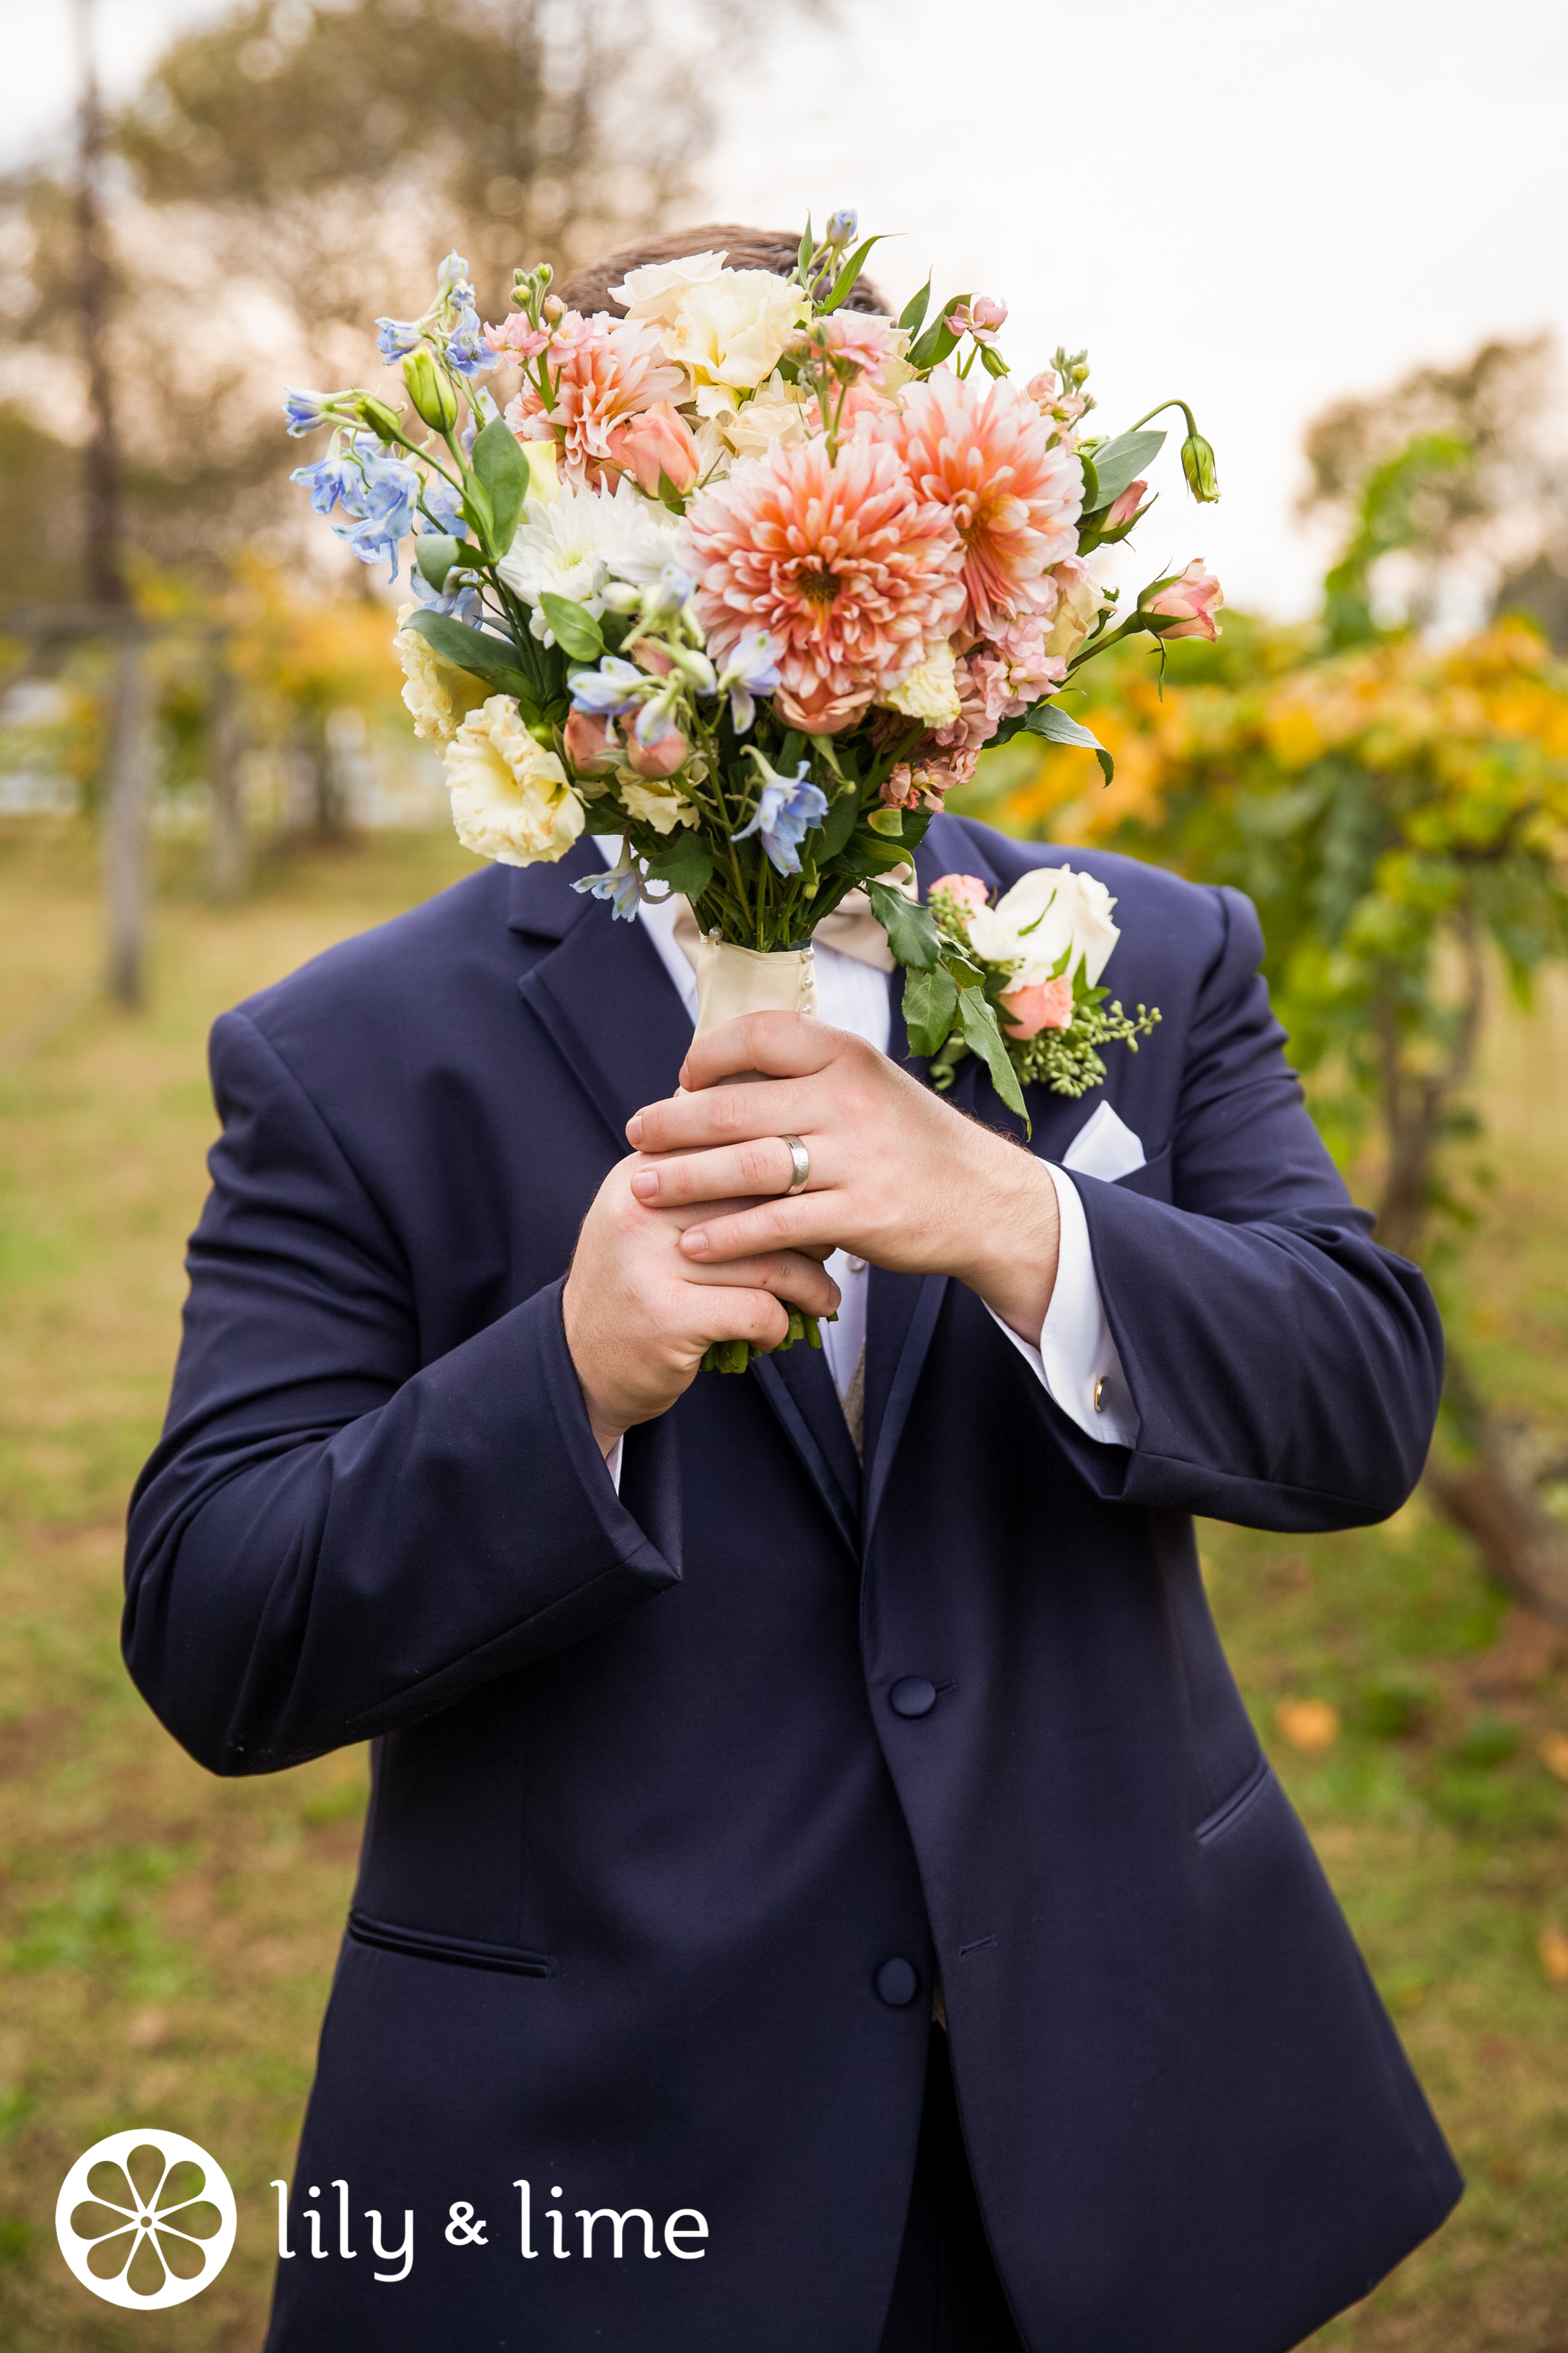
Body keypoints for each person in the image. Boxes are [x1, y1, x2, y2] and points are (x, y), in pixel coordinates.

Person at [123, 230, 1461, 2353]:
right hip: (607, 2181)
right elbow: (218, 1626)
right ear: (549, 554)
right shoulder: (351, 1054)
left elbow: (1364, 1398)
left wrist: (1027, 1223)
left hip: (1114, 2131)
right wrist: (563, 1375)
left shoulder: (1155, 950)